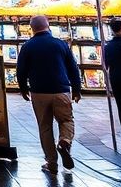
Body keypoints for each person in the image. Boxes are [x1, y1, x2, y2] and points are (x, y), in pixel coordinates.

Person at [16, 14, 82, 173]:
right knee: (66, 120)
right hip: (61, 90)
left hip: (39, 92)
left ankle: (51, 163)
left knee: (45, 127)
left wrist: (23, 88)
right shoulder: (60, 44)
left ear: (31, 28)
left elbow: (21, 70)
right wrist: (77, 89)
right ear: (48, 26)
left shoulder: (27, 46)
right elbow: (73, 68)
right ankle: (64, 142)